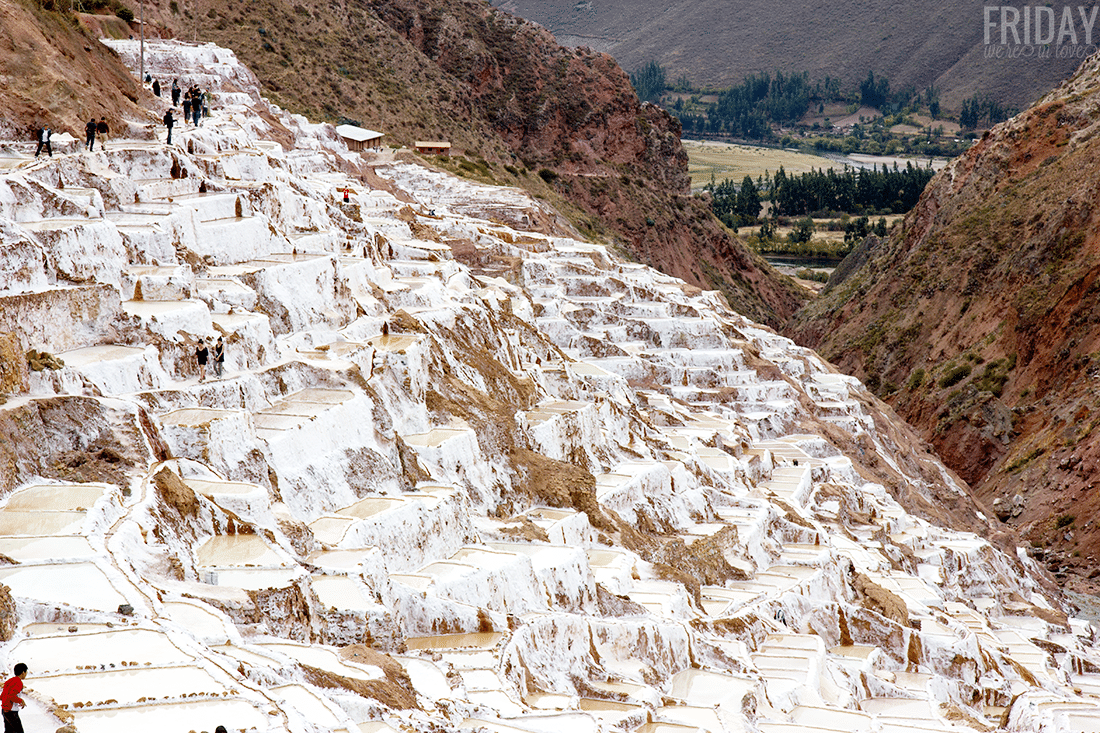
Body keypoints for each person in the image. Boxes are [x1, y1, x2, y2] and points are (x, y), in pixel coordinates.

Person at [2, 663, 27, 733]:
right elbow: (11, 696)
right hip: (11, 711)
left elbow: (2, 695)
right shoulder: (18, 682)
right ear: (23, 672)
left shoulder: (9, 681)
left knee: (9, 731)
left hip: (5, 710)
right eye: (26, 672)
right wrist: (21, 700)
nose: (26, 674)